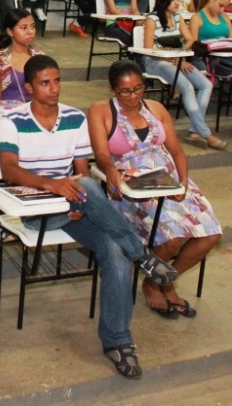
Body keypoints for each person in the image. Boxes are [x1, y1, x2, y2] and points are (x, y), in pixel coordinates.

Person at [0, 54, 178, 380]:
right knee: (89, 191)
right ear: (29, 87)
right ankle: (143, 255)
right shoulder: (13, 120)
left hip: (74, 206)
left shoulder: (74, 118)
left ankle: (118, 342)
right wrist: (52, 184)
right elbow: (9, 169)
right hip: (36, 211)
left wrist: (77, 199)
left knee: (112, 247)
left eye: (57, 81)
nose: (54, 89)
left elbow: (81, 171)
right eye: (45, 83)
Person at [89, 58, 221, 319]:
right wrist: (111, 172)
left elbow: (177, 152)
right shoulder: (101, 111)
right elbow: (102, 155)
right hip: (131, 186)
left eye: (139, 89)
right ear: (112, 89)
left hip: (167, 178)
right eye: (125, 91)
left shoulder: (156, 109)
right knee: (171, 237)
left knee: (211, 233)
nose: (133, 96)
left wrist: (183, 183)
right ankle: (157, 282)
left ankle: (161, 280)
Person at [142, 0, 225, 150]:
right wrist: (174, 57)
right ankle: (206, 133)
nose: (176, 3)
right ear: (163, 0)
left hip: (176, 60)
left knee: (206, 85)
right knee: (187, 87)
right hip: (155, 61)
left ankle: (194, 131)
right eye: (173, 0)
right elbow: (148, 49)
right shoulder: (152, 19)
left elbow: (190, 40)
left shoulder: (178, 18)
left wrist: (180, 54)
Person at [0, 9, 43, 103]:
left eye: (32, 27)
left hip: (34, 112)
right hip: (7, 113)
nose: (30, 32)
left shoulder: (39, 57)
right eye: (24, 28)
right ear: (10, 32)